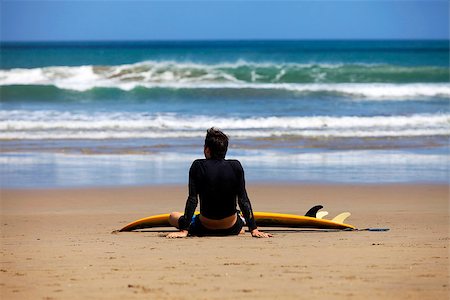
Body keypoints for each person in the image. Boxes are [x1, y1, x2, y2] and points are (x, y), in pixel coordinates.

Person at [166, 127, 272, 238]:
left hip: (204, 228)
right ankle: (241, 222)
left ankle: (237, 222)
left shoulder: (197, 166)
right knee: (236, 215)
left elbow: (193, 199)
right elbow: (243, 200)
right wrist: (254, 229)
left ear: (207, 150)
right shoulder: (236, 166)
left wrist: (184, 230)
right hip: (232, 227)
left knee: (173, 216)